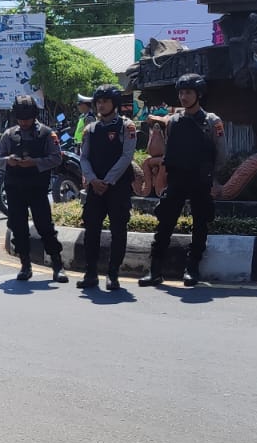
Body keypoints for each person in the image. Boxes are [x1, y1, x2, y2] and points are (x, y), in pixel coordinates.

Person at [140, 74, 226, 289]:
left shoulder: (212, 121)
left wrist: (212, 177)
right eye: (181, 93)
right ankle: (155, 270)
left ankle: (192, 268)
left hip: (200, 179)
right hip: (177, 179)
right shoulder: (174, 121)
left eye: (188, 92)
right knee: (165, 223)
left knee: (200, 224)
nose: (183, 97)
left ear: (199, 95)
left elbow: (222, 154)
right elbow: (169, 150)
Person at [0, 94, 66, 283]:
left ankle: (57, 265)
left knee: (45, 227)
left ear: (34, 116)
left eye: (27, 118)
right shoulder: (9, 135)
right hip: (14, 188)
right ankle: (25, 265)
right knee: (18, 227)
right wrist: (8, 161)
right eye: (20, 118)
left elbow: (57, 158)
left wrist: (35, 163)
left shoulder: (47, 134)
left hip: (37, 188)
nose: (24, 122)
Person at [77, 84, 138, 292]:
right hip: (95, 188)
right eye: (98, 102)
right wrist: (93, 179)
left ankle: (113, 274)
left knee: (118, 232)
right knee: (91, 230)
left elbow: (126, 156)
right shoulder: (90, 129)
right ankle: (91, 273)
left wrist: (108, 181)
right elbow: (83, 158)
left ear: (115, 104)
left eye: (105, 101)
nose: (101, 105)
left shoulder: (126, 126)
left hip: (118, 187)